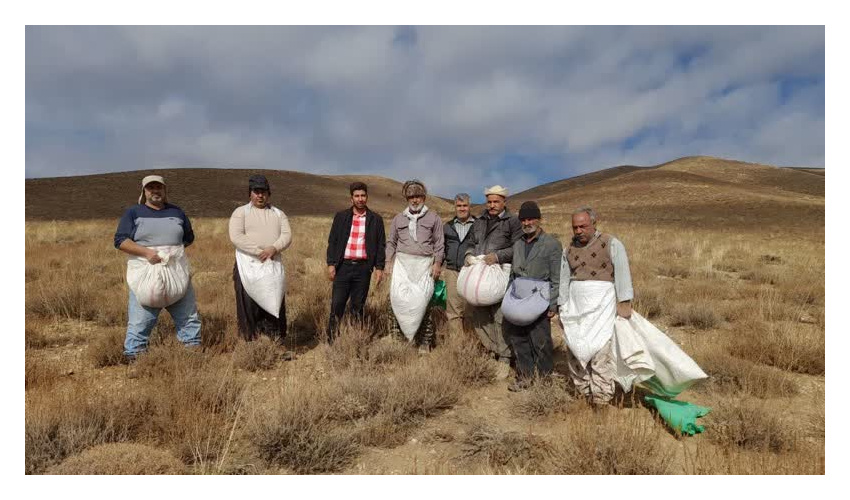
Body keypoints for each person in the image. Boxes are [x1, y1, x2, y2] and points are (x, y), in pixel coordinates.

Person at [114, 175, 201, 361]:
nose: (155, 191)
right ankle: (135, 358)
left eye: (159, 187)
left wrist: (170, 253)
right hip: (146, 272)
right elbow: (120, 241)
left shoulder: (177, 212)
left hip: (175, 270)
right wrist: (147, 253)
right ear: (144, 191)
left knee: (189, 318)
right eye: (150, 188)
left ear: (165, 190)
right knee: (140, 321)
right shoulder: (133, 213)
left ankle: (192, 356)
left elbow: (188, 237)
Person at [558, 206, 633, 406]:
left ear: (594, 223)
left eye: (583, 226)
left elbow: (622, 271)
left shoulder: (611, 243)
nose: (578, 231)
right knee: (575, 349)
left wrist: (624, 301)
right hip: (575, 308)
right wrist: (561, 306)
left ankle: (601, 400)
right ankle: (584, 393)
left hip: (602, 306)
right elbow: (564, 279)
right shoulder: (568, 249)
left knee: (601, 352)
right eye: (575, 227)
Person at [463, 185, 523, 378]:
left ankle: (504, 359)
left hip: (500, 272)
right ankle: (494, 350)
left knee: (499, 317)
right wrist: (469, 254)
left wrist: (498, 256)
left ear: (504, 201)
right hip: (479, 272)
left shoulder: (512, 221)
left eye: (496, 201)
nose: (492, 205)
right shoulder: (478, 221)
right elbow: (471, 242)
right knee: (479, 315)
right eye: (489, 201)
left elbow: (518, 246)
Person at [502, 201, 562, 392]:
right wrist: (508, 295)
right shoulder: (518, 243)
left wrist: (553, 305)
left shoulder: (552, 244)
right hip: (518, 298)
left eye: (531, 218)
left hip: (540, 300)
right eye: (523, 219)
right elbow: (512, 272)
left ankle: (544, 382)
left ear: (539, 219)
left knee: (540, 341)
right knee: (519, 340)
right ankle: (525, 377)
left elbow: (557, 277)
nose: (527, 222)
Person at [228, 174, 293, 352]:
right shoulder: (240, 213)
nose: (260, 196)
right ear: (250, 193)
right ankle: (250, 344)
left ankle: (277, 342)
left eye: (263, 192)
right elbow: (236, 236)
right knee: (247, 303)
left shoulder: (278, 214)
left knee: (275, 302)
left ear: (268, 194)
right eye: (256, 192)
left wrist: (273, 249)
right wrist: (259, 252)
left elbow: (287, 236)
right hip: (247, 265)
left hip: (273, 262)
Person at [385, 180, 444, 353]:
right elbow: (391, 242)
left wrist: (437, 264)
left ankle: (424, 342)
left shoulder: (434, 218)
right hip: (402, 265)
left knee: (424, 302)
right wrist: (388, 262)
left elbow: (439, 243)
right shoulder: (398, 219)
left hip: (425, 265)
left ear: (424, 197)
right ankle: (398, 338)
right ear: (407, 198)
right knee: (396, 300)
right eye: (411, 197)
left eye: (418, 196)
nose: (415, 200)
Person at [325, 182, 386, 342]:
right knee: (337, 304)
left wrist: (379, 267)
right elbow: (333, 241)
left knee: (357, 307)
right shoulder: (341, 217)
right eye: (357, 196)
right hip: (343, 267)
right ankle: (331, 340)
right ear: (351, 198)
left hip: (363, 269)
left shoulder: (376, 219)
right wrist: (331, 263)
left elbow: (381, 245)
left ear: (367, 197)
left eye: (363, 196)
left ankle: (355, 339)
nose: (360, 199)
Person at [442, 193, 476, 337]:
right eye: (459, 206)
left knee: (470, 309)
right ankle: (457, 346)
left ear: (470, 206)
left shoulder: (478, 225)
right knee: (453, 310)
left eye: (465, 205)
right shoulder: (447, 226)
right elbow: (442, 248)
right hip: (452, 272)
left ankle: (470, 342)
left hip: (471, 272)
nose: (462, 209)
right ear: (455, 207)